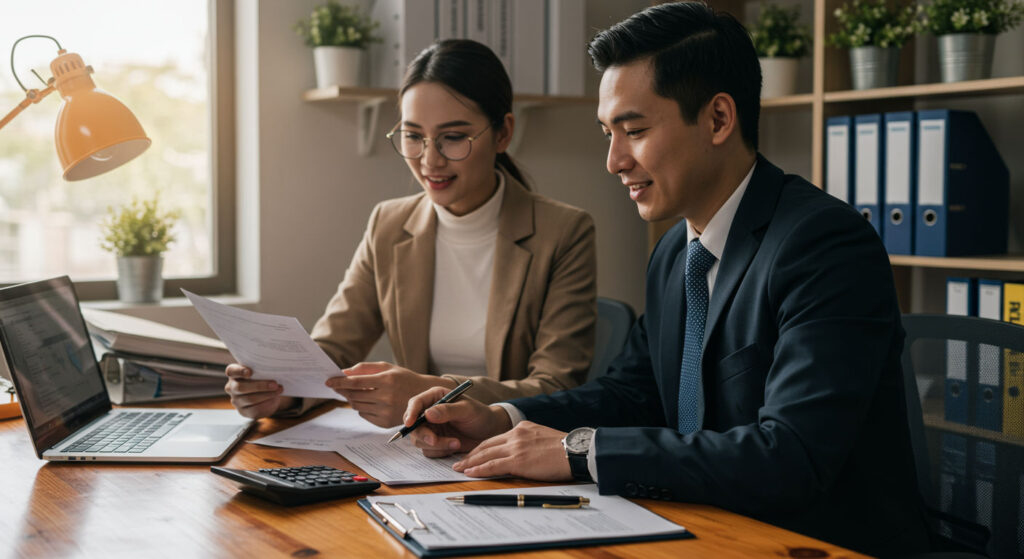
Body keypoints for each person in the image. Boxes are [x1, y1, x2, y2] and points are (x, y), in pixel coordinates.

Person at [403, 4, 929, 556]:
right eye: (608, 132)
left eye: (633, 130)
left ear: (719, 120)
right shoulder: (677, 251)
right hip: (699, 530)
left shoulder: (824, 245)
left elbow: (790, 456)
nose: (613, 161)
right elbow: (634, 393)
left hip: (810, 543)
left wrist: (580, 451)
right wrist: (499, 419)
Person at [224, 39, 597, 428]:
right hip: (417, 451)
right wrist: (279, 391)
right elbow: (333, 351)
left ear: (503, 133)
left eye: (453, 137)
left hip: (511, 448)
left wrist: (432, 390)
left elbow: (557, 386)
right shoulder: (388, 223)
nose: (430, 160)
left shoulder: (564, 232)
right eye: (413, 136)